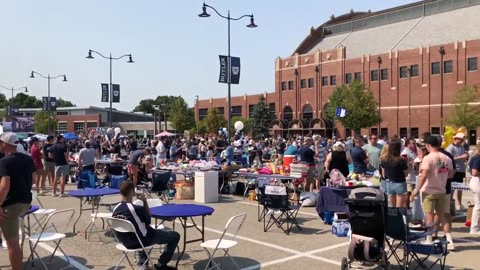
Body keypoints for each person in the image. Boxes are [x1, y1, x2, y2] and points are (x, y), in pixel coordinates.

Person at [112, 180, 179, 270]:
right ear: (132, 191)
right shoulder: (137, 209)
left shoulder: (115, 208)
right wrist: (144, 200)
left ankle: (143, 264)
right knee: (175, 236)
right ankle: (161, 264)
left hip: (125, 242)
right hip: (140, 241)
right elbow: (148, 220)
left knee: (140, 230)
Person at [410, 136, 455, 250]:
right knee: (442, 216)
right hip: (441, 190)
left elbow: (424, 175)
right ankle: (449, 240)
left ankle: (429, 239)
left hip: (429, 190)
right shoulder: (446, 158)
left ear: (428, 145)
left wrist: (416, 189)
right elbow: (450, 174)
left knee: (429, 215)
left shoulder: (428, 158)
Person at [0, 132, 35, 270]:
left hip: (11, 204)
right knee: (13, 242)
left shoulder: (4, 161)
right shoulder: (28, 159)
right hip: (25, 202)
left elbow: (4, 186)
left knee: (12, 243)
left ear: (5, 144)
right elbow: (34, 180)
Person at [380, 140, 408, 207]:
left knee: (392, 207)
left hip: (389, 183)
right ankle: (399, 217)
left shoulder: (384, 160)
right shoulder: (401, 160)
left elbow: (384, 175)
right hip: (400, 183)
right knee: (399, 207)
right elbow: (406, 174)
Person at [446, 132, 469, 210]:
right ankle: (450, 203)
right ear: (456, 139)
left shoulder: (462, 147)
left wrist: (465, 159)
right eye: (461, 139)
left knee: (460, 188)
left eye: (463, 140)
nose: (462, 141)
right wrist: (461, 157)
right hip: (454, 170)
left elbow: (463, 157)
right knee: (452, 187)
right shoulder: (450, 147)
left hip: (462, 169)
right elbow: (448, 159)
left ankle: (459, 204)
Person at [468, 144, 480, 235]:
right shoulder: (477, 158)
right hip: (477, 181)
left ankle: (475, 227)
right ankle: (474, 228)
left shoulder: (475, 157)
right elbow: (474, 172)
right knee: (478, 206)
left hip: (475, 181)